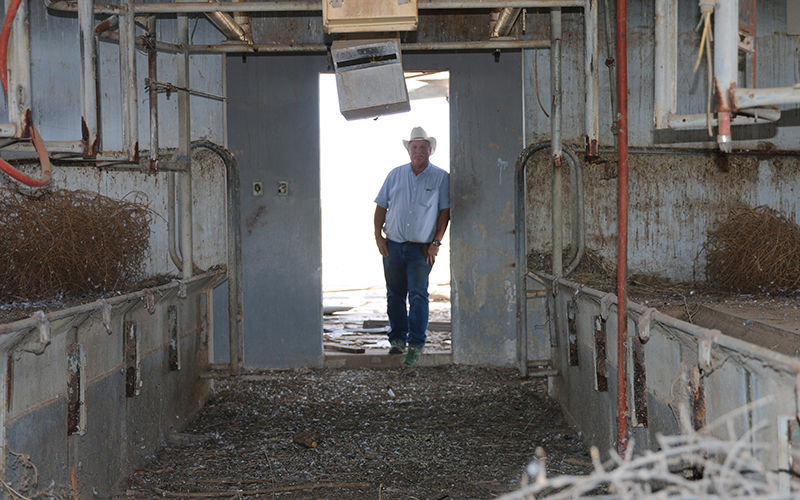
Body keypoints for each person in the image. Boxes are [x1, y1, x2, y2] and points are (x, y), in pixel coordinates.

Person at [374, 127, 450, 366]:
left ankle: (416, 344)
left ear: (430, 151)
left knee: (418, 295)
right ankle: (397, 340)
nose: (418, 151)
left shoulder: (441, 177)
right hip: (393, 246)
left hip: (421, 250)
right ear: (408, 150)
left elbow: (444, 212)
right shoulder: (395, 175)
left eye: (423, 147)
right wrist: (378, 237)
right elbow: (381, 206)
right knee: (394, 294)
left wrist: (436, 243)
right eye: (414, 147)